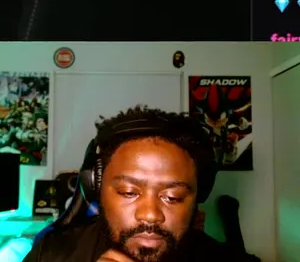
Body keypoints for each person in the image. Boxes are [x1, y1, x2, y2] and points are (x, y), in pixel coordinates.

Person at [22, 106, 257, 262]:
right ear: (96, 188)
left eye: (173, 197)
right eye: (128, 192)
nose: (151, 214)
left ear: (198, 196)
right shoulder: (50, 254)